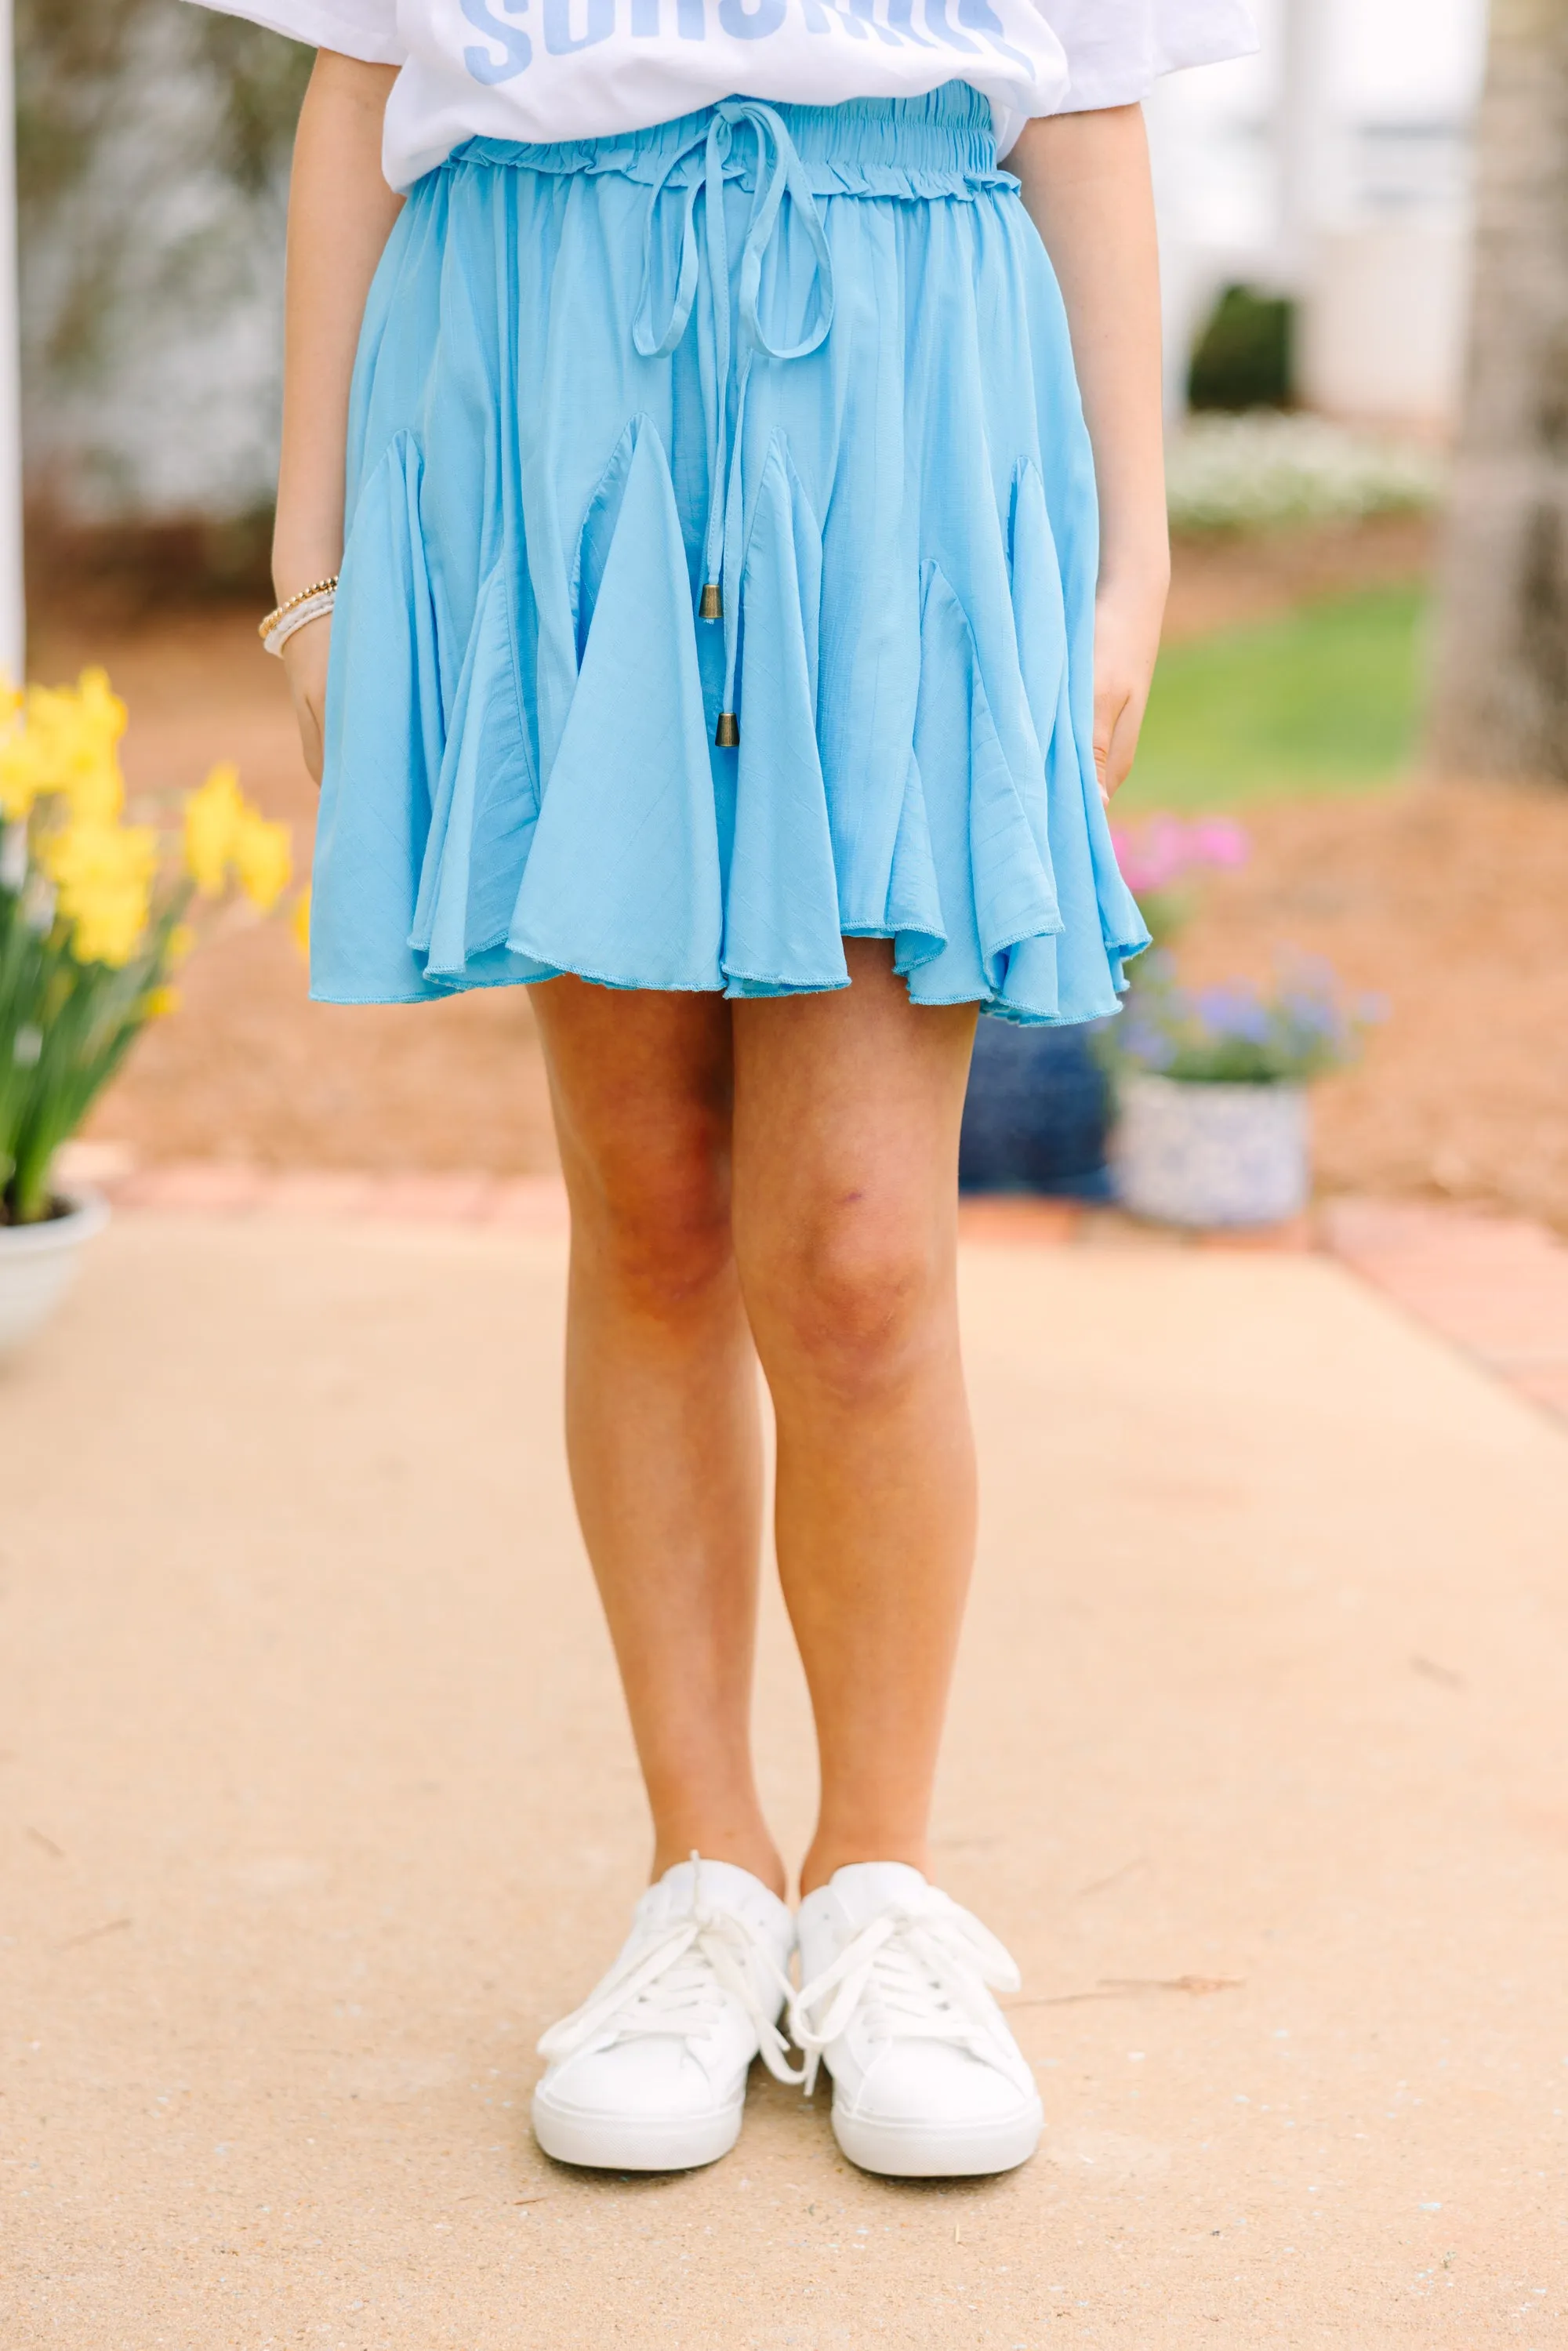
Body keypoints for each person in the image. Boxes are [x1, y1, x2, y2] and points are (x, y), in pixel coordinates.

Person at [191, 0, 1254, 2179]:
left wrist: (1131, 560)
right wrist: (311, 573)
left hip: (909, 395)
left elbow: (1092, 94)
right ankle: (707, 1879)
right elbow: (349, 88)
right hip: (538, 376)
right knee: (654, 1194)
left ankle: (884, 1894)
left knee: (858, 1249)